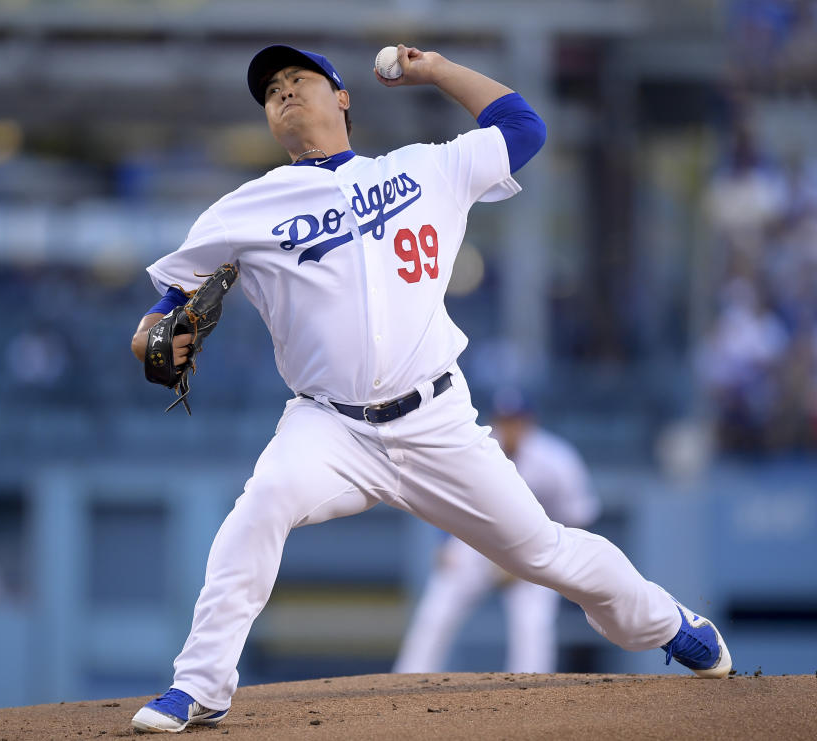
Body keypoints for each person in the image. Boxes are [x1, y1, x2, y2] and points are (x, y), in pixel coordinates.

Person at [129, 43, 732, 734]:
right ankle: (200, 685)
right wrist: (153, 337)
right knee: (259, 505)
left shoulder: (422, 168)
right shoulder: (245, 207)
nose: (285, 92)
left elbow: (524, 129)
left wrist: (437, 70)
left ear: (343, 97)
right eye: (271, 91)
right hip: (329, 428)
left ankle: (669, 621)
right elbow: (164, 308)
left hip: (436, 417)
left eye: (300, 79)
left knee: (543, 551)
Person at [393, 390, 600, 674]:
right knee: (436, 610)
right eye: (504, 420)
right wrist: (445, 541)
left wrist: (550, 559)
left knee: (534, 624)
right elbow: (448, 497)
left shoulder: (557, 459)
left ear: (530, 422)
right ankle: (408, 678)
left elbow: (577, 515)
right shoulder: (476, 450)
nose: (510, 427)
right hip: (478, 542)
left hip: (535, 544)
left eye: (516, 420)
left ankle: (531, 688)